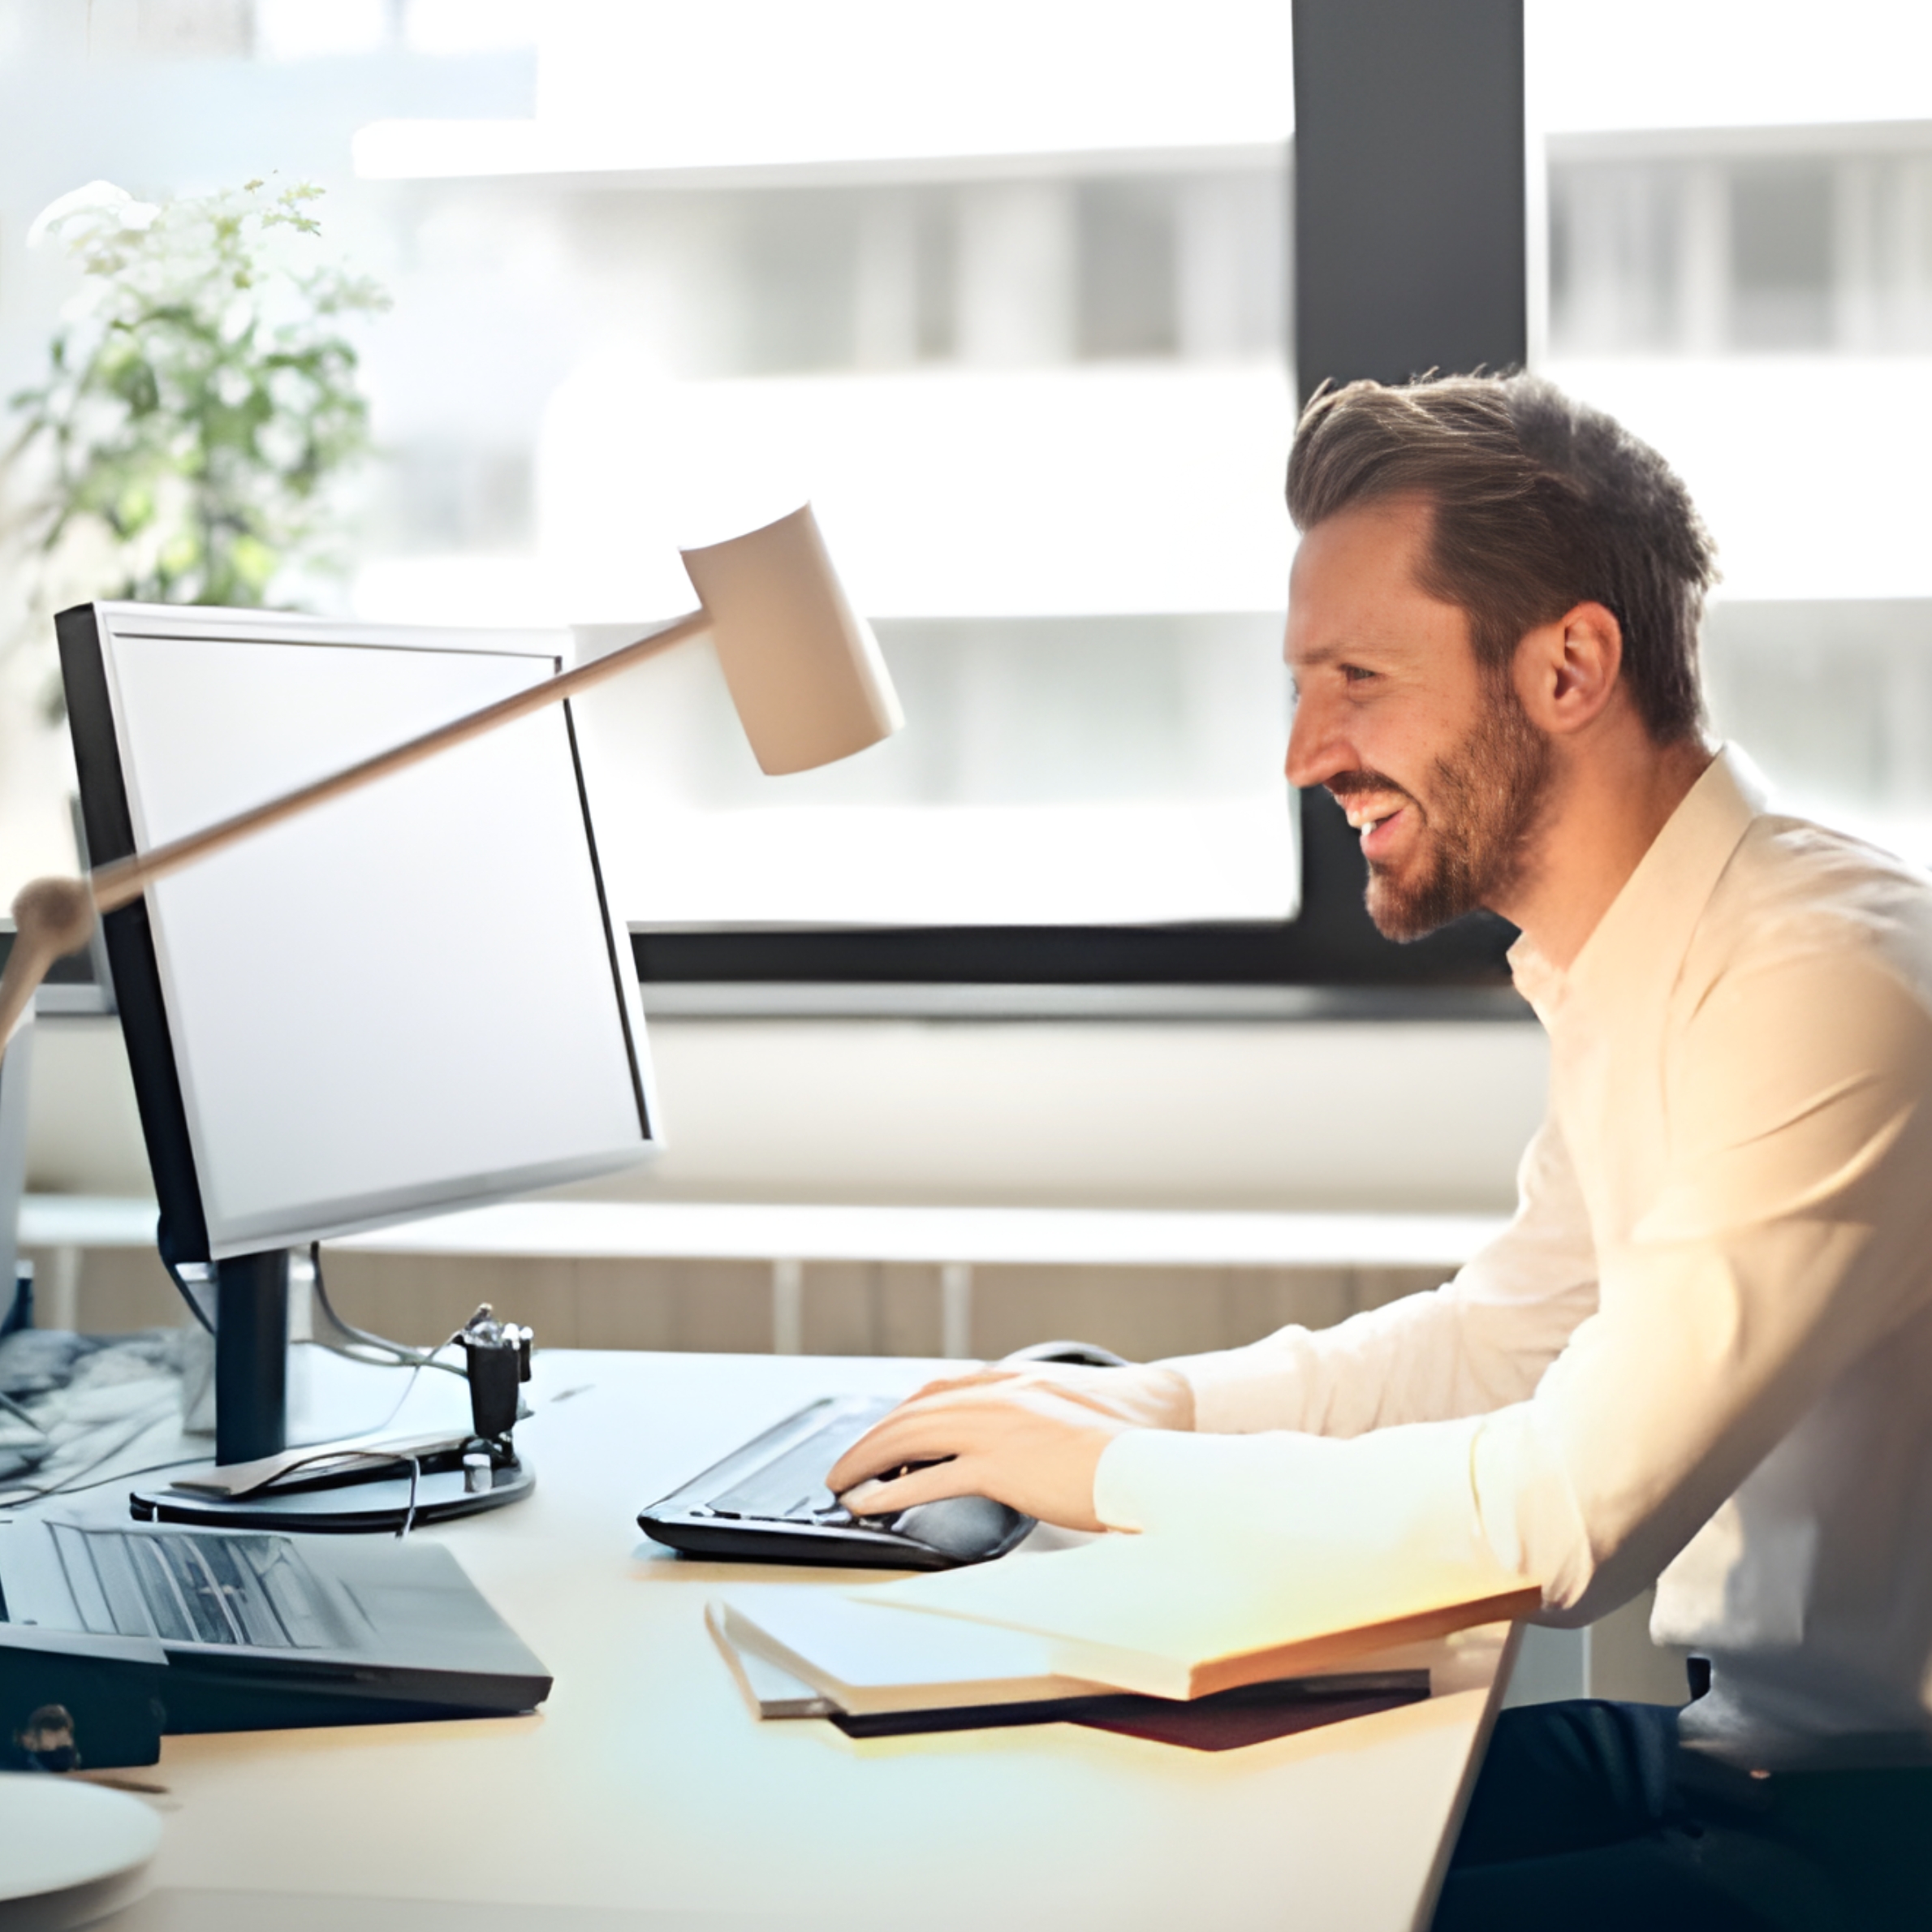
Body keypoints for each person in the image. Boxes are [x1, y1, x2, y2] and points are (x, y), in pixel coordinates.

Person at [828, 373, 1932, 1930]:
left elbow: (1567, 1517)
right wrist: (1144, 1403)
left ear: (1570, 667)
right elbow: (1504, 1342)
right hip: (1728, 1757)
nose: (1303, 752)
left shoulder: (1819, 985)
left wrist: (1113, 1472)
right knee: (1137, 1821)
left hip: (1874, 1833)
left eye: (1357, 676)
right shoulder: (1652, 961)